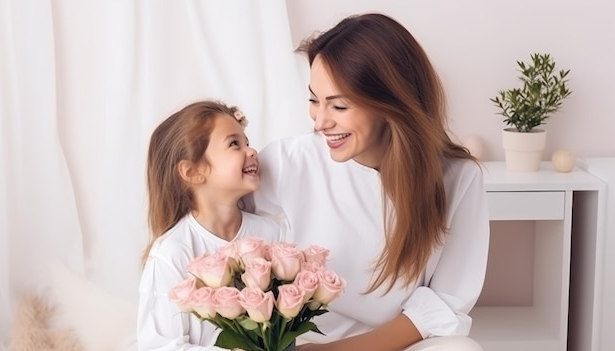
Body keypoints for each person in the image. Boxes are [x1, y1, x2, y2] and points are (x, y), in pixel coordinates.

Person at [247, 13, 490, 351]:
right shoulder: (286, 163)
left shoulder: (458, 179)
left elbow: (446, 303)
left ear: (390, 104)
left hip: (393, 344)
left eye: (339, 106)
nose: (320, 122)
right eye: (314, 101)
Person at [137, 100, 283, 350]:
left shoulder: (269, 234)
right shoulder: (172, 252)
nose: (251, 151)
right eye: (234, 144)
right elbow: (159, 345)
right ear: (193, 172)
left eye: (246, 142)